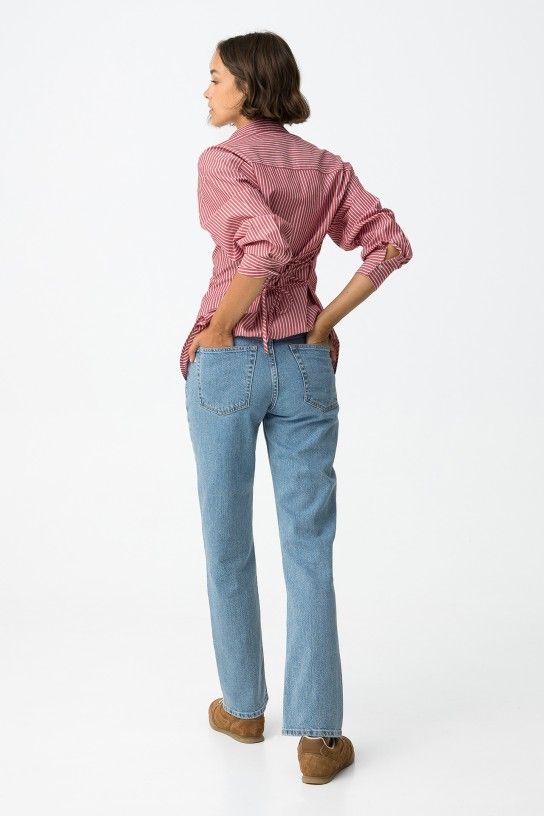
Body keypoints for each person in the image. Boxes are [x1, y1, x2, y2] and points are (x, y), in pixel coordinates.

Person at [181, 31, 413, 784]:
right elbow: (389, 245)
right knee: (309, 550)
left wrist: (219, 328)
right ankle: (318, 738)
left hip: (228, 365)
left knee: (226, 543)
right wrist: (323, 322)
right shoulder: (326, 167)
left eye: (216, 77)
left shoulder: (222, 162)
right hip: (305, 366)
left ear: (248, 87)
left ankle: (245, 708)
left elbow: (262, 246)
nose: (206, 90)